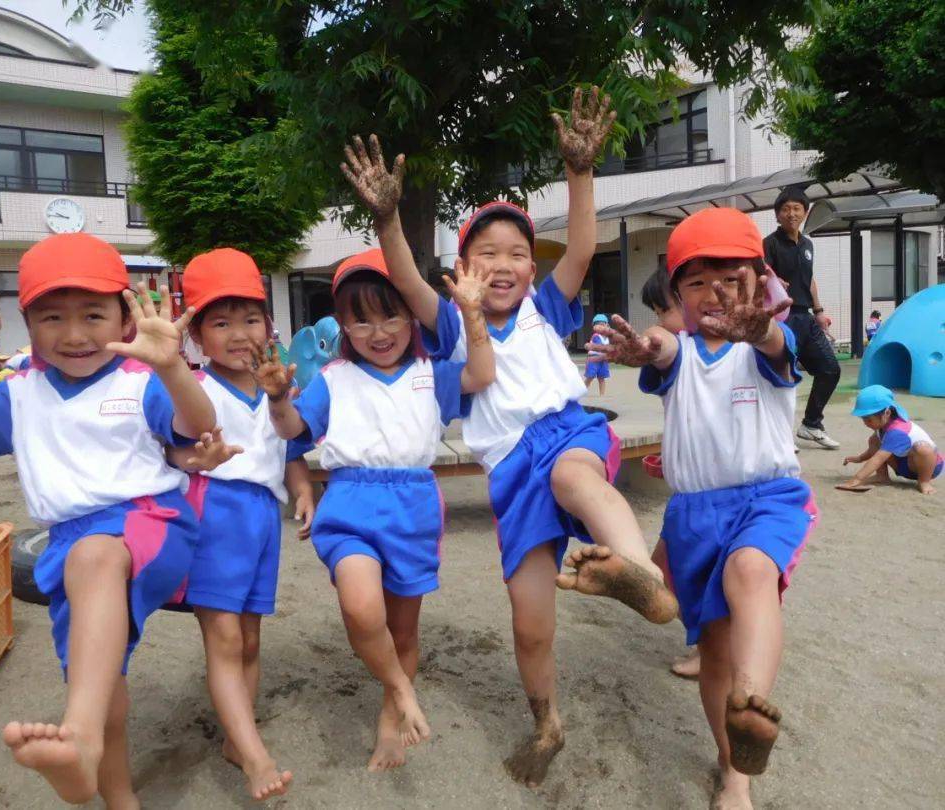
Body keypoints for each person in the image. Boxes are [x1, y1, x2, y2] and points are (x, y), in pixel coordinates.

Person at [339, 86, 678, 788]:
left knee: (576, 480)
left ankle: (640, 573)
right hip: (509, 473)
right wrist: (387, 219)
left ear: (533, 267)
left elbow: (582, 245)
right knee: (530, 621)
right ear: (461, 270)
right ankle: (546, 721)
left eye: (517, 253)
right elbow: (403, 273)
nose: (502, 263)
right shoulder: (448, 322)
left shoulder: (544, 308)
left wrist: (581, 173)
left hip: (565, 432)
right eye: (484, 253)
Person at [0, 232, 217, 807]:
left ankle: (78, 738)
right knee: (100, 679)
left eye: (94, 315)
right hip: (68, 547)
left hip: (148, 521)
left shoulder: (138, 381)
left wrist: (172, 367)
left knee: (95, 557)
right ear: (26, 323)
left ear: (124, 319)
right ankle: (116, 794)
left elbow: (198, 424)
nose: (75, 335)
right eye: (53, 317)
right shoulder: (21, 393)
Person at [595, 206, 818, 810]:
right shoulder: (681, 352)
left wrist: (763, 327)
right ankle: (731, 760)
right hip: (693, 515)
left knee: (752, 573)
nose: (714, 293)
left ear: (761, 281)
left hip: (766, 500)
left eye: (731, 278)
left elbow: (775, 343)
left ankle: (750, 710)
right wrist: (646, 345)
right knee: (713, 649)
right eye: (696, 283)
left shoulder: (769, 347)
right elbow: (663, 346)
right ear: (677, 295)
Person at [254, 248, 495, 772]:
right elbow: (294, 431)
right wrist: (277, 399)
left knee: (404, 631)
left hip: (413, 509)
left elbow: (483, 373)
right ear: (341, 323)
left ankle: (390, 722)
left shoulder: (432, 374)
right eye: (360, 319)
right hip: (350, 505)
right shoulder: (335, 378)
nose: (378, 331)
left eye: (391, 314)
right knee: (362, 610)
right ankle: (402, 690)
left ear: (412, 316)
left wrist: (472, 314)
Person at [172, 247, 316, 800]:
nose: (238, 334)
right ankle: (254, 756)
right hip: (215, 511)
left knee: (250, 638)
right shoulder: (196, 390)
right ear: (196, 335)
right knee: (225, 635)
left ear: (269, 325)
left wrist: (302, 490)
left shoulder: (275, 385)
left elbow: (287, 449)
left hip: (261, 518)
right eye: (221, 321)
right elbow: (172, 449)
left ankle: (239, 736)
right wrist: (190, 461)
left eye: (250, 318)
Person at [639, 268, 700, 679]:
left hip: (703, 495)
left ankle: (709, 645)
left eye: (665, 309)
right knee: (660, 565)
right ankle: (704, 637)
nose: (660, 319)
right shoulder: (677, 351)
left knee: (685, 571)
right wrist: (672, 456)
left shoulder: (704, 352)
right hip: (687, 487)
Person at [763, 186, 841, 449]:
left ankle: (811, 424)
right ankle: (779, 435)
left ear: (805, 213)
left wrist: (819, 312)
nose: (791, 213)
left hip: (805, 317)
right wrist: (773, 281)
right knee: (783, 377)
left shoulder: (807, 244)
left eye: (797, 208)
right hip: (781, 319)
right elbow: (760, 275)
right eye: (785, 209)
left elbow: (810, 280)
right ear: (777, 215)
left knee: (830, 369)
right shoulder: (769, 244)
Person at [842, 384, 942, 495]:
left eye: (869, 420)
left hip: (928, 468)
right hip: (903, 463)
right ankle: (882, 476)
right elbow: (877, 449)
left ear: (887, 413)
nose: (865, 423)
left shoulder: (897, 430)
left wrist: (857, 479)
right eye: (863, 419)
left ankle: (924, 482)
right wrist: (860, 458)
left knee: (923, 448)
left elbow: (879, 458)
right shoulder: (883, 426)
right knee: (874, 440)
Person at [584, 314, 611, 395]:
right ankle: (580, 392)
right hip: (594, 359)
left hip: (603, 360)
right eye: (597, 324)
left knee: (601, 378)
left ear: (607, 325)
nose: (600, 326)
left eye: (602, 324)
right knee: (590, 377)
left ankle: (602, 395)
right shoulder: (595, 336)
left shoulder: (607, 337)